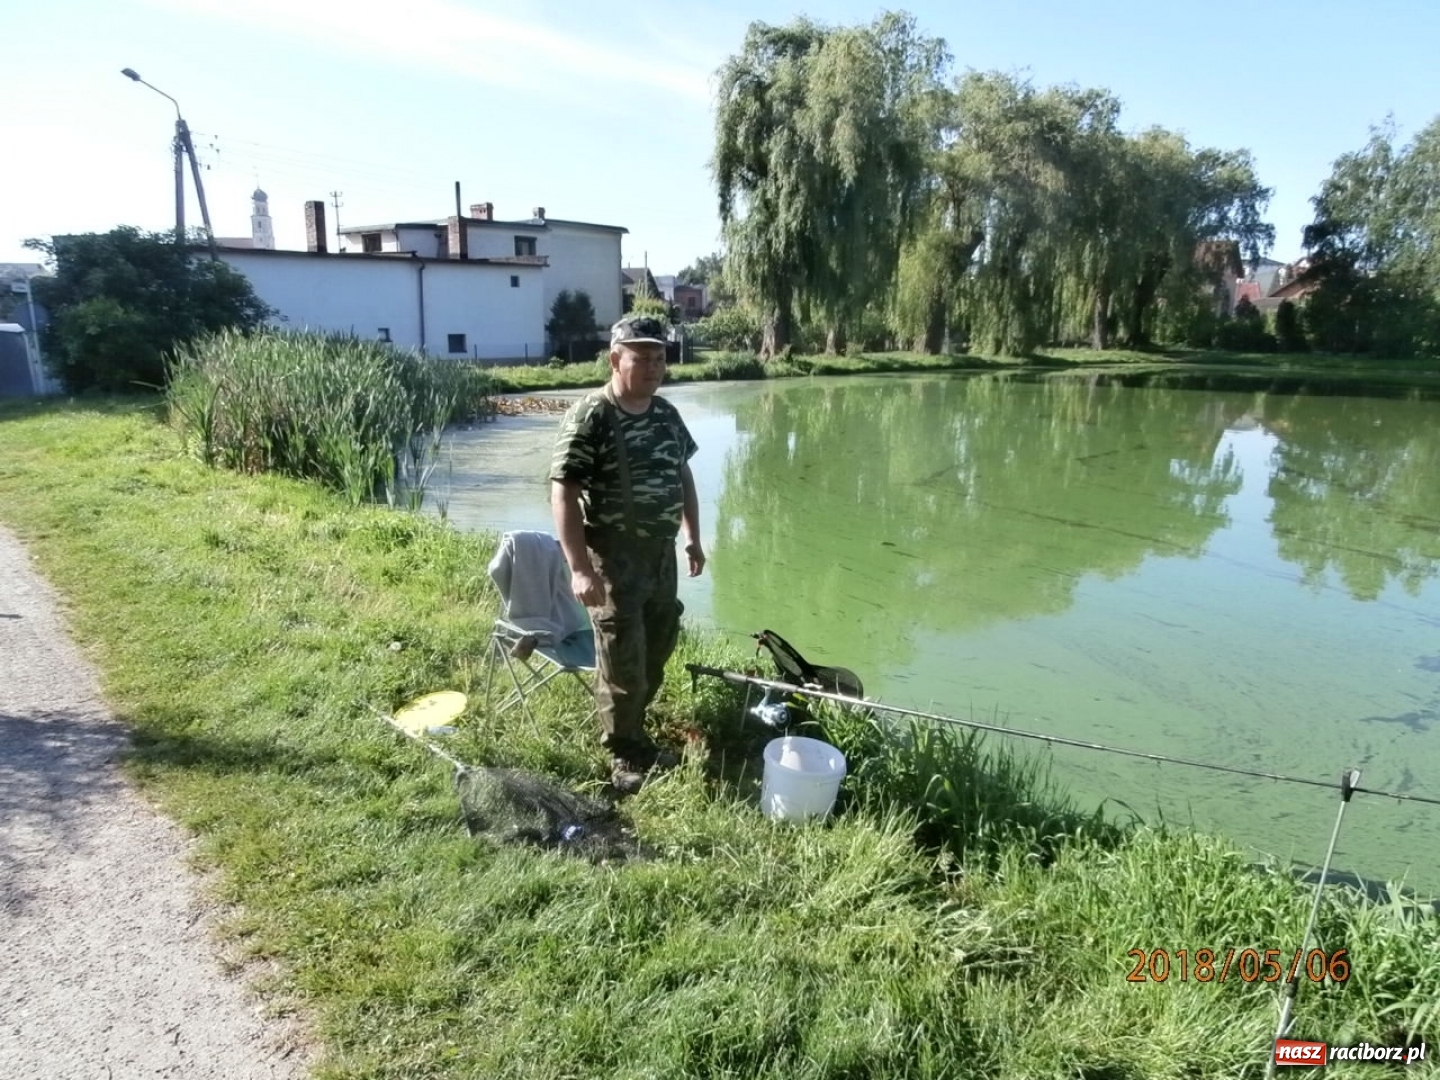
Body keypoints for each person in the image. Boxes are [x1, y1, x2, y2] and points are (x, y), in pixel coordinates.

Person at [549, 314, 706, 793]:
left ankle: (634, 731)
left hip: (659, 555)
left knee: (658, 645)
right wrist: (578, 569)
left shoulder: (665, 415)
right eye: (642, 358)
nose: (655, 366)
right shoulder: (592, 415)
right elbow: (564, 492)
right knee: (621, 658)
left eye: (660, 357)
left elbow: (682, 476)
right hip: (613, 558)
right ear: (616, 359)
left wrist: (692, 537)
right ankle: (622, 755)